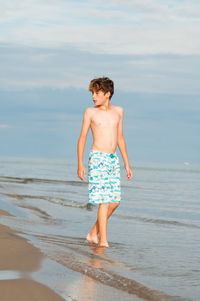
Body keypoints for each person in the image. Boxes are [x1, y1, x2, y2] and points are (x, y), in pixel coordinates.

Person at [77, 77, 133, 247]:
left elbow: (120, 138)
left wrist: (127, 163)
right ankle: (103, 241)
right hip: (97, 158)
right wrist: (80, 163)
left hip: (112, 159)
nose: (94, 96)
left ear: (107, 94)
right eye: (92, 93)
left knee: (115, 201)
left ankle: (93, 233)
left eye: (97, 93)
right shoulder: (90, 112)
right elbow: (82, 138)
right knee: (104, 201)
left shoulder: (119, 111)